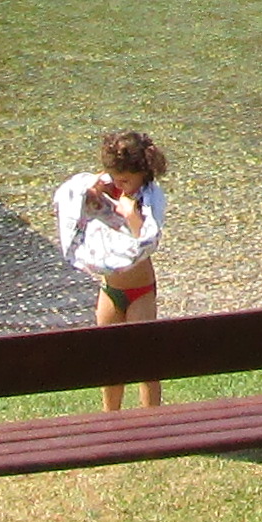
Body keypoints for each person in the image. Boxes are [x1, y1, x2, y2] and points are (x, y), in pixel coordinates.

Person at [56, 130, 167, 408]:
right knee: (110, 362)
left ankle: (153, 422)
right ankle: (110, 418)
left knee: (146, 363)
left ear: (142, 174)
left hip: (140, 292)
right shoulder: (111, 185)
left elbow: (146, 240)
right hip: (110, 290)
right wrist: (94, 192)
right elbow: (83, 196)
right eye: (116, 178)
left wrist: (131, 216)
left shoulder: (146, 199)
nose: (120, 183)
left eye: (126, 180)